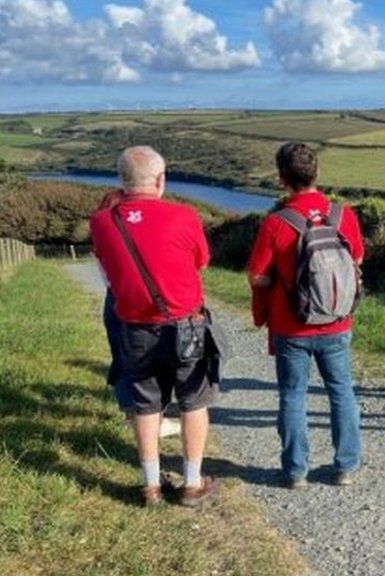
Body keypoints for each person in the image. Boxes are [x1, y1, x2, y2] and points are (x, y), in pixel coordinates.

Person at [90, 146, 219, 507]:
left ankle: (150, 486)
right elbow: (202, 262)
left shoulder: (102, 222)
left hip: (134, 328)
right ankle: (192, 484)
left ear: (122, 181)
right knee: (194, 401)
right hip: (186, 326)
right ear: (160, 180)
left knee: (146, 406)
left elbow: (106, 264)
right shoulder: (184, 215)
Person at [247, 142, 364, 489]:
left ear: (282, 180)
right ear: (316, 174)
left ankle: (296, 471)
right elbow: (356, 259)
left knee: (293, 395)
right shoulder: (343, 216)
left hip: (291, 325)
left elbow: (256, 275)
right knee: (341, 390)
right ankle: (346, 465)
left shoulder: (276, 223)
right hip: (337, 320)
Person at [96, 188, 181, 438]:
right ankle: (152, 419)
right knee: (151, 360)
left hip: (114, 298)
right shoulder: (137, 235)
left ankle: (132, 414)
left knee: (122, 359)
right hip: (137, 300)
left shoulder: (104, 236)